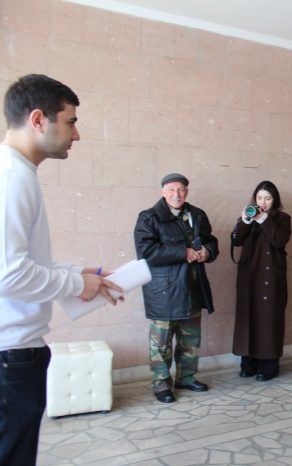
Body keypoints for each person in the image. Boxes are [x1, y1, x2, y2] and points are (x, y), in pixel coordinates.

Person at [0, 74, 122, 465]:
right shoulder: (13, 178)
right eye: (70, 122)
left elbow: (24, 263)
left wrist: (77, 273)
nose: (77, 135)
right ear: (38, 120)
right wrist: (74, 282)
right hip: (11, 355)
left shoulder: (18, 174)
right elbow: (7, 273)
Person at [134, 173, 219, 403]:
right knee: (161, 342)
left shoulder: (197, 215)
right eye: (171, 189)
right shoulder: (149, 217)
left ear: (187, 192)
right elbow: (146, 252)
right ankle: (161, 383)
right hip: (164, 290)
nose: (176, 194)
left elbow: (211, 240)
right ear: (163, 192)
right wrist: (183, 252)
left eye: (181, 189)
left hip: (192, 287)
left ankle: (187, 377)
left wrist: (207, 252)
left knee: (190, 338)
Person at [231, 181, 291, 381]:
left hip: (271, 277)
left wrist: (263, 218)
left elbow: (278, 240)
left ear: (275, 200)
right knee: (248, 317)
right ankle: (247, 363)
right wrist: (245, 220)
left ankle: (268, 366)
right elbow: (237, 240)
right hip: (249, 276)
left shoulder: (283, 219)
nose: (262, 202)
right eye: (259, 198)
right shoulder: (248, 214)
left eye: (267, 198)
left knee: (268, 320)